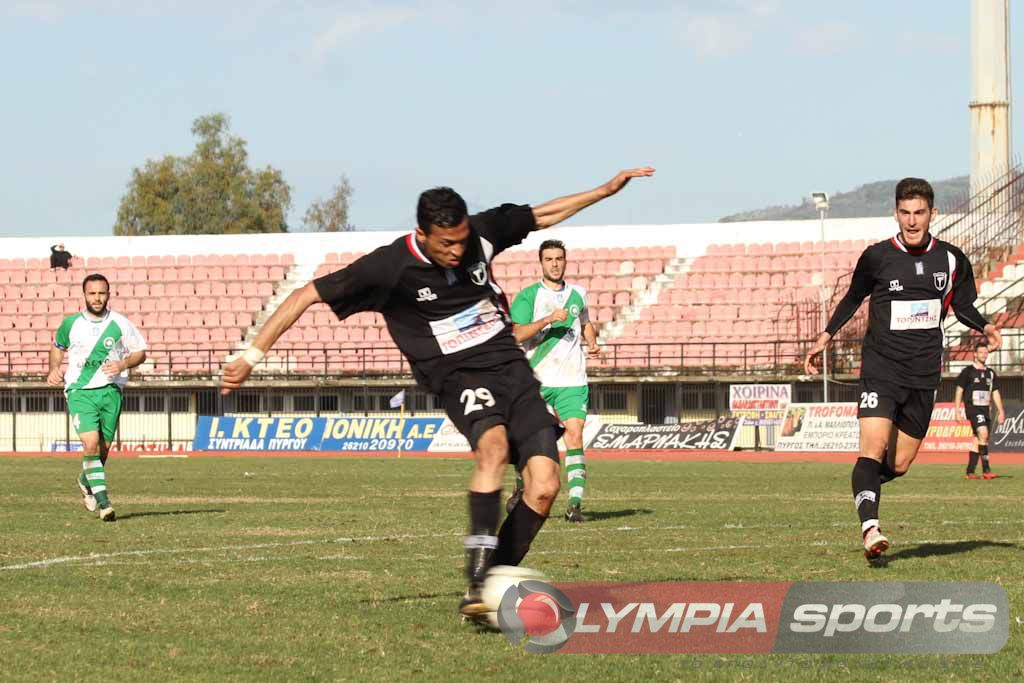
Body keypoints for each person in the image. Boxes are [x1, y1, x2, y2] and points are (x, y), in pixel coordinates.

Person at [220, 167, 655, 618]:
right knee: (493, 446)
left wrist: (604, 191)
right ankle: (476, 578)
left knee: (544, 486)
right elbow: (306, 293)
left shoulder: (480, 235)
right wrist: (251, 355)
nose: (455, 251)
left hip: (512, 370)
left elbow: (541, 215)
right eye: (445, 243)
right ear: (422, 234)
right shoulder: (389, 267)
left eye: (461, 240)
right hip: (457, 376)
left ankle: (487, 589)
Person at [804, 177, 1000, 562]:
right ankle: (870, 527)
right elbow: (852, 298)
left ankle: (864, 484)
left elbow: (962, 307)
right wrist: (826, 336)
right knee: (872, 448)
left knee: (898, 463)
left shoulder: (951, 260)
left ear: (932, 214)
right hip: (880, 368)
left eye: (919, 213)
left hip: (924, 374)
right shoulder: (877, 256)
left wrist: (986, 326)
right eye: (905, 213)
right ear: (896, 213)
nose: (912, 221)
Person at [507, 239, 600, 523]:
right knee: (531, 442)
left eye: (559, 258)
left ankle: (575, 505)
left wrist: (592, 341)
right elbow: (517, 335)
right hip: (537, 380)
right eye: (549, 259)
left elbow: (585, 322)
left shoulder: (578, 294)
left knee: (575, 433)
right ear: (541, 263)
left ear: (565, 261)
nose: (555, 263)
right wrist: (548, 319)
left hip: (572, 380)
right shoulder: (529, 297)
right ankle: (521, 486)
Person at [47, 274, 148, 521]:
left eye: (101, 293)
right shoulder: (71, 324)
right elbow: (57, 347)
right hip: (80, 391)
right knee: (90, 444)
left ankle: (85, 479)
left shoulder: (120, 323)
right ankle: (105, 503)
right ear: (84, 295)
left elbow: (141, 353)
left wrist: (123, 363)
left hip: (111, 391)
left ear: (108, 294)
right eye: (92, 293)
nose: (97, 298)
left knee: (102, 449)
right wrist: (53, 368)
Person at [954, 341, 1004, 480]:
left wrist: (1000, 410)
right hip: (973, 408)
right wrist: (957, 410)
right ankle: (987, 470)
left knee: (979, 439)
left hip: (985, 410)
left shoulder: (990, 373)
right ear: (975, 354)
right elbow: (959, 390)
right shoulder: (968, 371)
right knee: (983, 433)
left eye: (985, 352)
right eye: (981, 352)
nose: (983, 354)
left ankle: (970, 471)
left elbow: (995, 392)